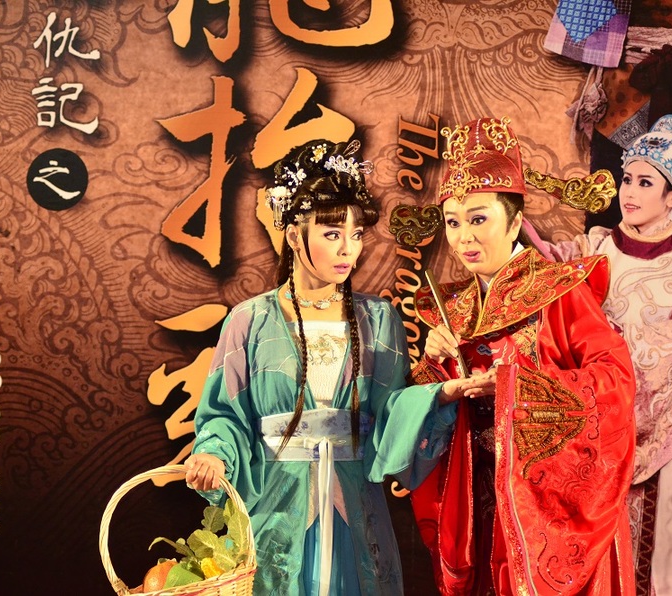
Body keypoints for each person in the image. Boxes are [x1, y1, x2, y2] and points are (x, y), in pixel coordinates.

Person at [183, 139, 485, 595]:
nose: (349, 249)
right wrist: (213, 454)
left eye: (356, 234)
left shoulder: (377, 319)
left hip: (355, 507)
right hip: (275, 506)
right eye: (331, 234)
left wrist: (439, 394)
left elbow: (390, 415)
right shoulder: (249, 321)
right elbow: (225, 415)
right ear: (293, 235)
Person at [405, 116, 638, 595]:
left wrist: (517, 388)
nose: (463, 237)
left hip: (547, 509)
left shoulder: (560, 292)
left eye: (478, 219)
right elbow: (432, 414)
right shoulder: (453, 306)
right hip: (478, 500)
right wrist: (436, 366)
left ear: (514, 222)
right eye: (453, 222)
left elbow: (615, 384)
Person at [542, 114, 672, 594]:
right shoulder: (592, 247)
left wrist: (613, 341)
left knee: (664, 556)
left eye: (646, 183)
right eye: (627, 179)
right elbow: (547, 284)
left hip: (670, 429)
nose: (629, 192)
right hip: (598, 424)